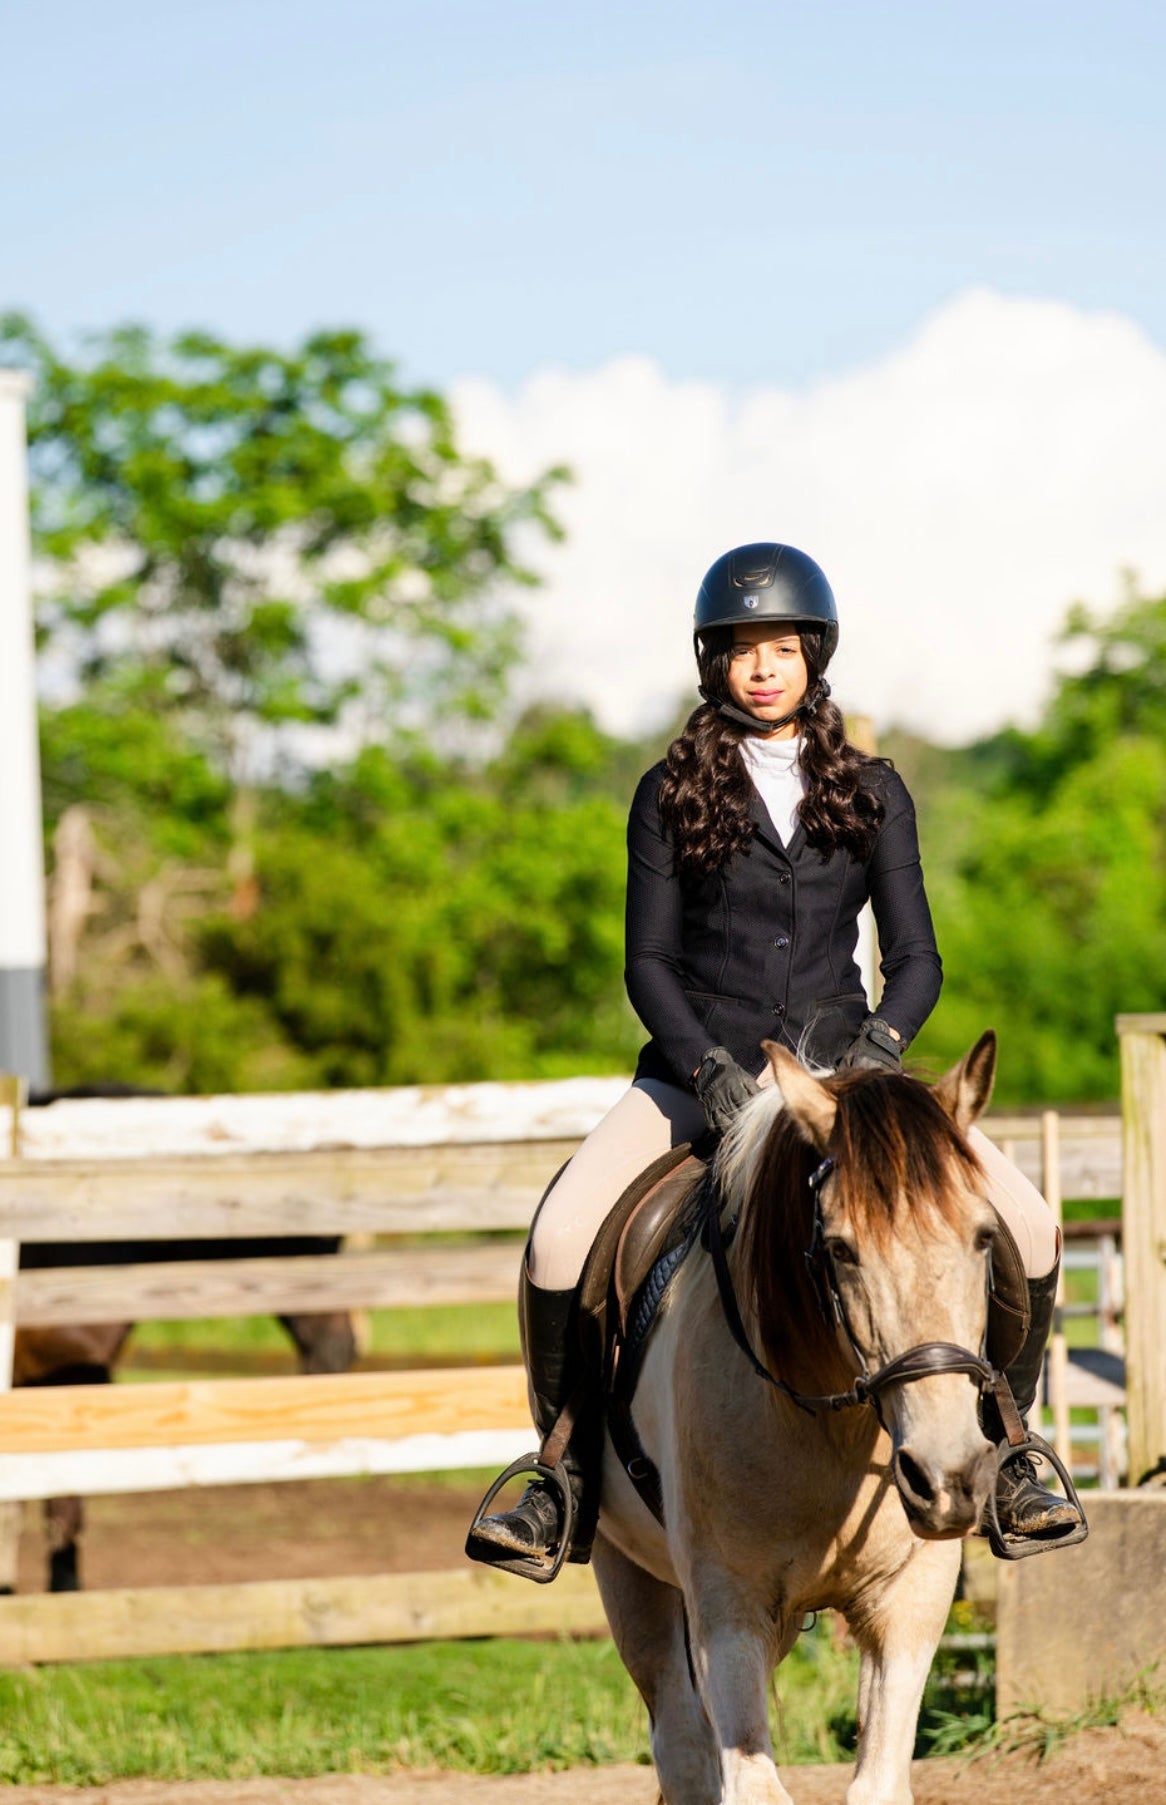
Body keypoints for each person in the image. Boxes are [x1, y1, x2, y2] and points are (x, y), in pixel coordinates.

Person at [466, 540, 1082, 1573]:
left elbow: (918, 958)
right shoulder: (666, 792)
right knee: (560, 1239)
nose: (762, 666)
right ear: (714, 662)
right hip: (689, 1071)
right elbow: (648, 962)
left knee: (1026, 1221)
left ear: (813, 655)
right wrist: (705, 1065)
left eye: (780, 647)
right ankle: (561, 1477)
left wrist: (877, 1053)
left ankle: (1010, 1451)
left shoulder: (873, 789)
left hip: (847, 1084)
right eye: (742, 649)